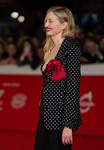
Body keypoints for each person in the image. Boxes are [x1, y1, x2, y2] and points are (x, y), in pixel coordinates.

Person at [34, 6, 82, 150]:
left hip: (60, 118)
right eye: (45, 21)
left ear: (64, 24)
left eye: (50, 21)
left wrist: (68, 125)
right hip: (45, 115)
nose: (46, 25)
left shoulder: (71, 49)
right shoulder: (49, 48)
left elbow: (72, 89)